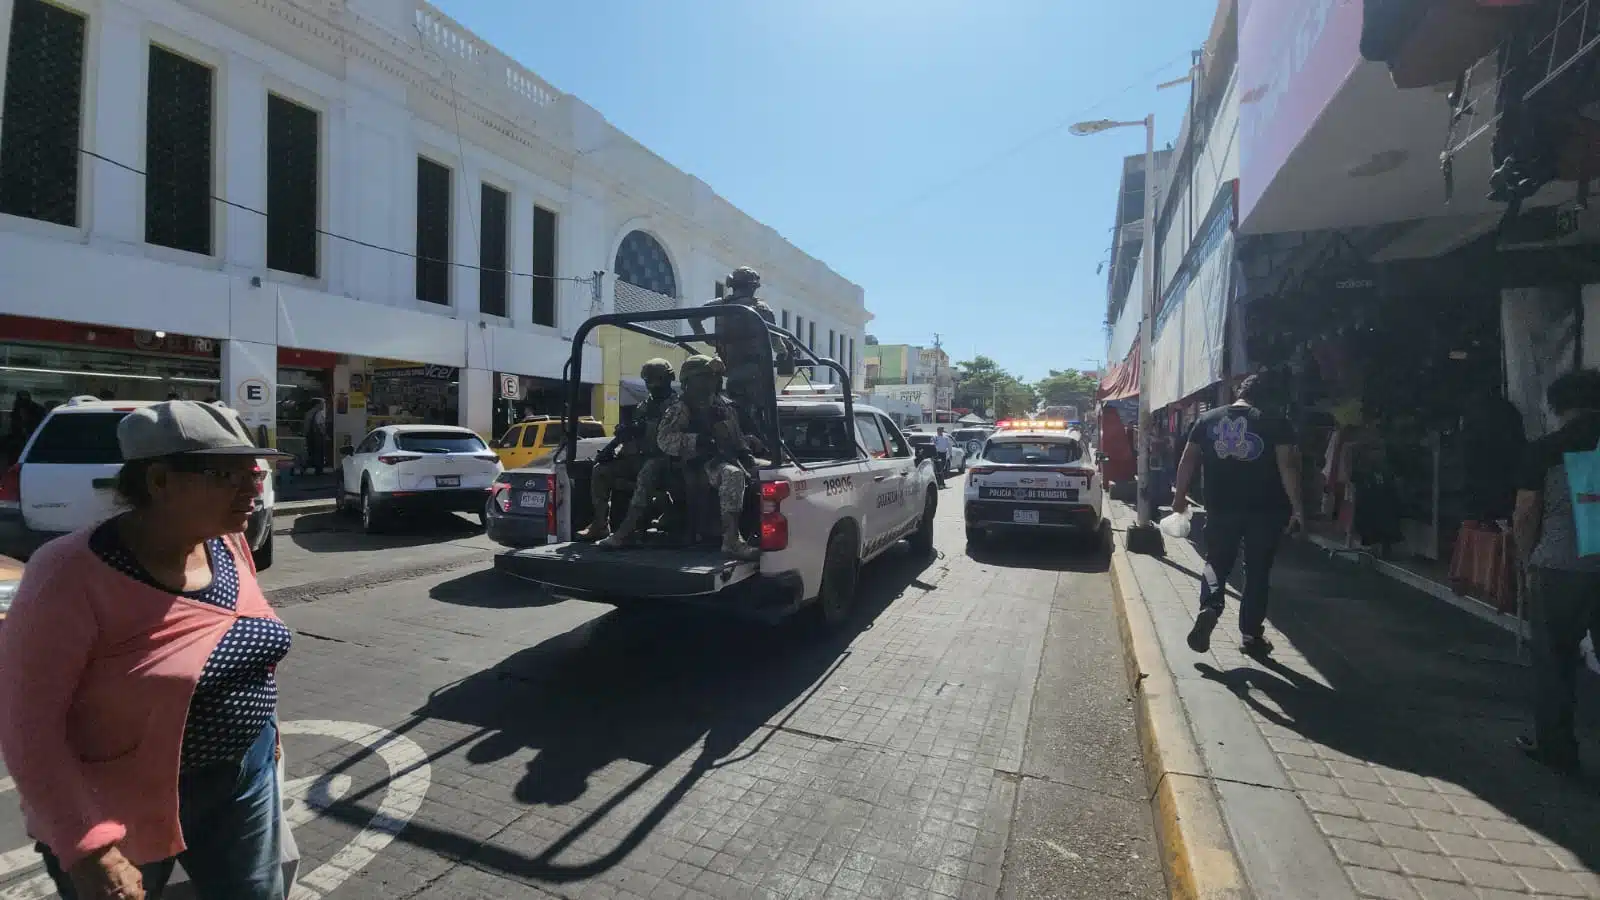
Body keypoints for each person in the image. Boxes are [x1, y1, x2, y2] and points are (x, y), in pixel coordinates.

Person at [0, 400, 294, 899]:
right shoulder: (67, 573)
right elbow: (26, 725)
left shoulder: (226, 542)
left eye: (254, 472)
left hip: (243, 782)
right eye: (227, 475)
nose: (252, 489)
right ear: (158, 481)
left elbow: (244, 647)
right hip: (118, 805)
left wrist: (268, 729)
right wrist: (87, 846)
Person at [1171, 372, 1304, 657]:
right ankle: (1251, 636)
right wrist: (1298, 508)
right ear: (1268, 397)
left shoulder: (1207, 420)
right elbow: (1288, 468)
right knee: (1257, 572)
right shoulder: (1275, 422)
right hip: (1266, 511)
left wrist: (1179, 496)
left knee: (1216, 563)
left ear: (1239, 393)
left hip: (1220, 507)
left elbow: (1188, 459)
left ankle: (1210, 605)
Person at [1512, 369, 1600, 775]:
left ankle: (1556, 748)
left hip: (1561, 566)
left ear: (1557, 407)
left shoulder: (1546, 448)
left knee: (1554, 659)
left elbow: (1527, 512)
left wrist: (1525, 557)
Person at [652, 355, 760, 561]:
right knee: (733, 476)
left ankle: (756, 531)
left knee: (771, 473)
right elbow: (664, 439)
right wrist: (698, 440)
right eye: (708, 376)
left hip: (725, 457)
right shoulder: (682, 407)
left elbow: (734, 434)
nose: (714, 380)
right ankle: (731, 541)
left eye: (715, 376)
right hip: (699, 464)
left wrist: (745, 452)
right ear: (691, 380)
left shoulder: (722, 404)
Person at [692, 267, 788, 450]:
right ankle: (769, 449)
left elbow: (694, 316)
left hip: (731, 372)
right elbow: (776, 342)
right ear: (753, 287)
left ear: (732, 285)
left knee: (736, 411)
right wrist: (784, 353)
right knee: (764, 415)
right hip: (756, 373)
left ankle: (741, 444)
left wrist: (705, 338)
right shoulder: (761, 309)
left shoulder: (721, 305)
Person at [581, 359, 677, 542]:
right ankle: (600, 524)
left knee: (647, 471)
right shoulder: (645, 405)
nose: (652, 385)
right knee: (601, 470)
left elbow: (671, 438)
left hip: (668, 462)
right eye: (648, 381)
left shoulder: (677, 406)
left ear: (668, 379)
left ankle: (625, 532)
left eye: (657, 380)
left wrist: (643, 429)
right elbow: (630, 433)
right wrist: (612, 449)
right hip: (641, 459)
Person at [303, 398, 329, 471]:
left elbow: (306, 426)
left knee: (311, 452)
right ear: (317, 405)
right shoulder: (319, 413)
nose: (323, 406)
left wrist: (305, 434)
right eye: (322, 404)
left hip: (310, 435)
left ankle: (306, 466)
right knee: (319, 452)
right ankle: (318, 469)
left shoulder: (309, 413)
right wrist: (325, 434)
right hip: (318, 436)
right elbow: (320, 425)